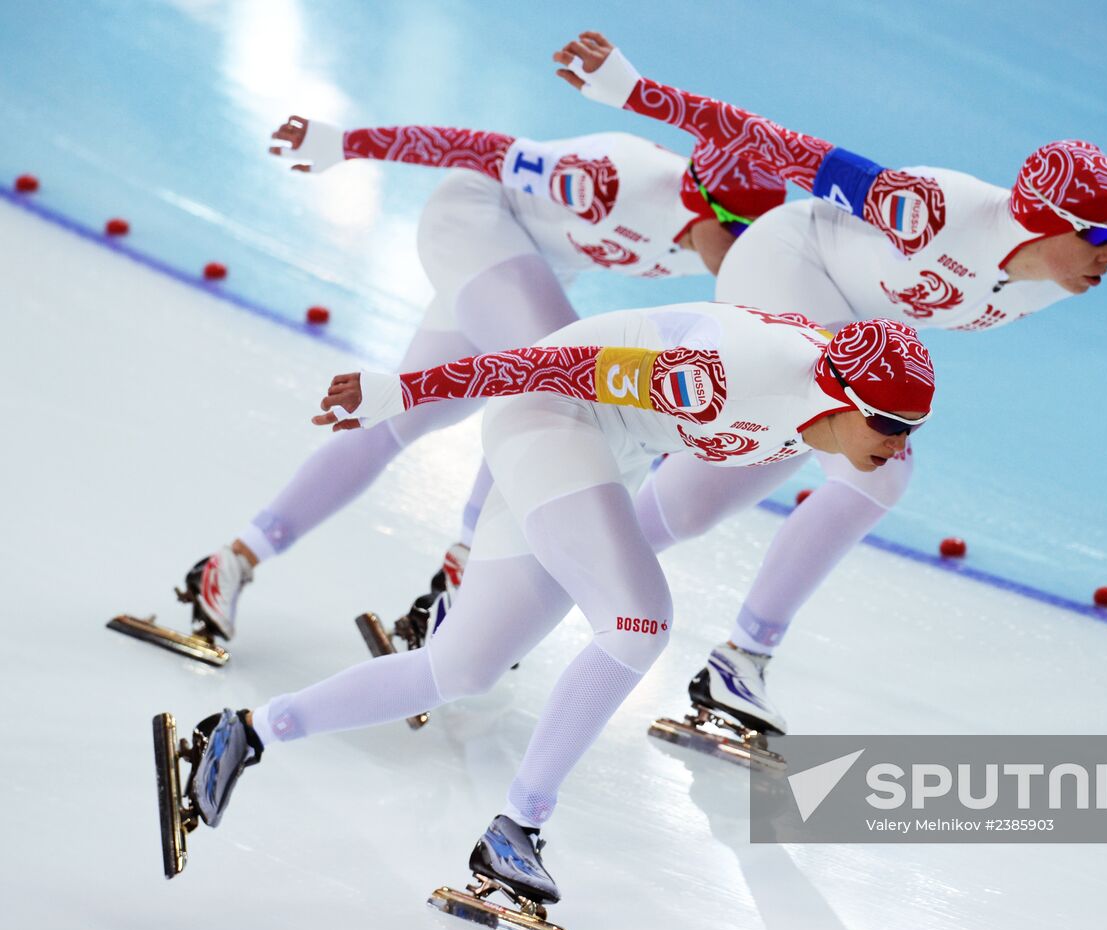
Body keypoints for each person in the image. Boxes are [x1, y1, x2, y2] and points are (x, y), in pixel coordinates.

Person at [159, 301, 935, 920]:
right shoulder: (730, 375)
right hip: (549, 415)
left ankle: (245, 731)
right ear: (842, 396)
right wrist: (403, 390)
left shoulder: (820, 410)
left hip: (606, 443)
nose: (899, 445)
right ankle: (518, 827)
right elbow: (546, 361)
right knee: (638, 620)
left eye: (914, 431)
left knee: (460, 667)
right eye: (890, 425)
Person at [553, 32, 1107, 736]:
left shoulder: (1060, 282)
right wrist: (637, 94)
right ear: (1050, 220)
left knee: (697, 503)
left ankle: (524, 584)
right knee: (880, 466)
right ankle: (743, 657)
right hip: (791, 267)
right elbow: (775, 143)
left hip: (848, 330)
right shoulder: (934, 211)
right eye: (1101, 234)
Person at [161, 114, 784, 648]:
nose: (740, 255)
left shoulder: (737, 239)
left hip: (521, 266)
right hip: (475, 219)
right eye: (735, 234)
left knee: (400, 420)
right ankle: (459, 578)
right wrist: (347, 143)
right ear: (704, 202)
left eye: (757, 241)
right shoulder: (617, 177)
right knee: (559, 384)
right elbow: (480, 147)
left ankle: (231, 561)